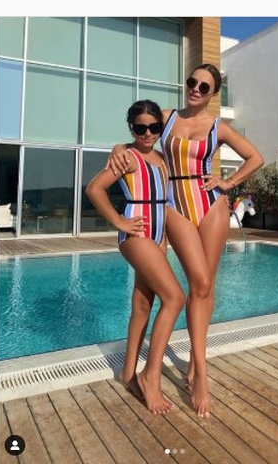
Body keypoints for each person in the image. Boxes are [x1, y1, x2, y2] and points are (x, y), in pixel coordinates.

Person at [106, 64, 265, 418]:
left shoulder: (219, 127)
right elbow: (138, 136)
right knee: (192, 283)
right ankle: (174, 372)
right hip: (174, 206)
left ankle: (197, 365)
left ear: (213, 93)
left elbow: (256, 158)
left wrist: (228, 182)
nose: (195, 88)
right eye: (192, 82)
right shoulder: (166, 117)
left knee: (205, 287)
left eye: (204, 86)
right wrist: (118, 146)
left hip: (210, 205)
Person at [86, 99, 186, 415]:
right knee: (175, 298)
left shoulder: (161, 158)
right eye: (140, 128)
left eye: (154, 127)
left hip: (158, 235)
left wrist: (165, 238)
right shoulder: (128, 157)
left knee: (144, 303)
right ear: (131, 128)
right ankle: (150, 376)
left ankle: (128, 373)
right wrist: (118, 221)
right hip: (137, 233)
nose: (148, 133)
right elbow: (94, 189)